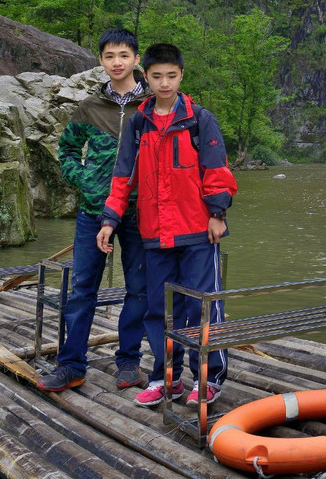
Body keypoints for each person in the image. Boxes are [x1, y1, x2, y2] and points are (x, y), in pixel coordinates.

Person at [97, 42, 238, 408]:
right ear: (146, 76)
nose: (164, 83)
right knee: (158, 309)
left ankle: (208, 377)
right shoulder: (139, 123)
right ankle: (166, 378)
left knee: (201, 307)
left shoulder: (199, 119)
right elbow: (122, 176)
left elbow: (218, 172)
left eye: (171, 76)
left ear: (181, 76)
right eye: (156, 76)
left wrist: (217, 214)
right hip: (154, 233)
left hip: (196, 232)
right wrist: (110, 219)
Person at [37, 28, 150, 393]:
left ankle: (129, 362)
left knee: (139, 289)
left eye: (123, 55)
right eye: (108, 56)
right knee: (83, 288)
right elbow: (66, 151)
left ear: (136, 58)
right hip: (92, 211)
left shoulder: (150, 106)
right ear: (101, 61)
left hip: (138, 213)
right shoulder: (88, 107)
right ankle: (71, 365)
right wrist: (84, 180)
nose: (116, 63)